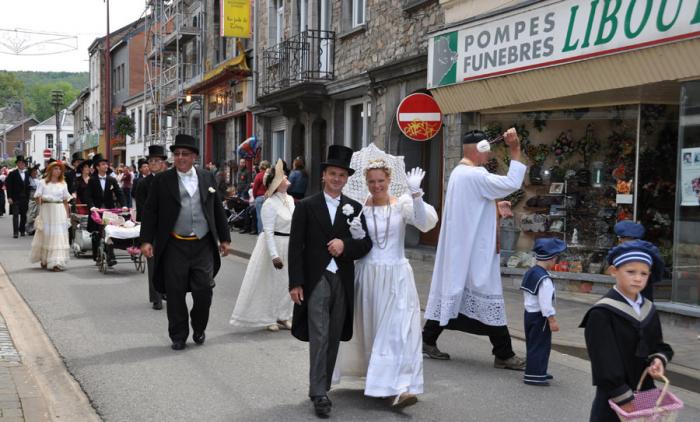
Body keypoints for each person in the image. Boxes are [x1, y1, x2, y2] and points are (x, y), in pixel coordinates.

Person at [333, 158, 438, 408]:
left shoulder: (402, 204)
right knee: (373, 330)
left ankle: (400, 388)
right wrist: (355, 237)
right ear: (366, 182)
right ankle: (380, 381)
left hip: (397, 275)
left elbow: (425, 223)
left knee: (397, 332)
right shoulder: (359, 209)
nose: (376, 185)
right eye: (372, 181)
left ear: (389, 181)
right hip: (368, 275)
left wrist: (416, 193)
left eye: (381, 180)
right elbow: (352, 245)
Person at [422, 128, 528, 370]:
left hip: (463, 246)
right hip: (473, 248)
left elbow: (472, 205)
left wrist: (492, 204)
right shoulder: (475, 175)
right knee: (484, 290)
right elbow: (512, 182)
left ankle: (428, 339)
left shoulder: (459, 173)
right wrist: (515, 149)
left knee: (455, 289)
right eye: (487, 149)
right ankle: (504, 353)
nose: (489, 154)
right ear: (478, 149)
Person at [288, 145, 372, 418]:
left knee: (334, 335)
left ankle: (322, 386)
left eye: (341, 175)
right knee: (320, 334)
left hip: (342, 279)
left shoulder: (355, 208)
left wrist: (345, 245)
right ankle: (319, 393)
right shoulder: (307, 206)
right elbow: (295, 247)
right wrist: (295, 283)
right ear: (324, 175)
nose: (337, 179)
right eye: (332, 173)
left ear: (347, 178)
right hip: (315, 279)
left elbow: (366, 245)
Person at [139, 134, 231, 350]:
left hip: (202, 243)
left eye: (185, 154)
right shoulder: (162, 180)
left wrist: (225, 238)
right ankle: (178, 335)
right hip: (174, 244)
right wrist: (145, 240)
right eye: (177, 154)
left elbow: (216, 208)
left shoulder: (207, 177)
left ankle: (199, 326)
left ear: (194, 157)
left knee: (203, 292)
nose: (180, 158)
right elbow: (150, 211)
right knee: (175, 292)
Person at [580, 240, 673, 421]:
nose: (638, 278)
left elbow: (658, 345)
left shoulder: (648, 309)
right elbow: (603, 361)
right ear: (614, 271)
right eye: (631, 272)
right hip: (615, 395)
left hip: (645, 390)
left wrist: (658, 359)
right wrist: (622, 396)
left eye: (644, 273)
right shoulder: (602, 312)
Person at [230, 159, 295, 331]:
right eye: (282, 176)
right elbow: (268, 232)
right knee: (272, 283)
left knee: (287, 282)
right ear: (276, 183)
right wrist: (274, 255)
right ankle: (269, 317)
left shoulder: (290, 199)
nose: (286, 176)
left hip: (290, 244)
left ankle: (284, 315)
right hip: (274, 245)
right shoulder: (269, 204)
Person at [520, 238, 566, 386]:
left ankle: (537, 370)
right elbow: (545, 304)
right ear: (552, 258)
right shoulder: (545, 279)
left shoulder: (531, 272)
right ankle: (535, 376)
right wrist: (552, 320)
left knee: (533, 344)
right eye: (556, 259)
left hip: (529, 314)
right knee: (541, 346)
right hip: (540, 317)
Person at [134, 145, 168, 310]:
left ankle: (166, 290)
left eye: (157, 161)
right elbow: (142, 209)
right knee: (153, 262)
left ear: (163, 163)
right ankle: (156, 297)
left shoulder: (171, 179)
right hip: (152, 228)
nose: (154, 163)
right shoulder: (143, 183)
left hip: (169, 229)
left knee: (169, 262)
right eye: (151, 161)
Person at [29, 160, 72, 271]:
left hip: (59, 211)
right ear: (50, 170)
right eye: (55, 168)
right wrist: (41, 198)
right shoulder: (42, 182)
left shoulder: (63, 184)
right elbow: (37, 199)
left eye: (59, 169)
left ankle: (56, 262)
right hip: (47, 210)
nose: (58, 171)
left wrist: (67, 217)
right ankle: (45, 259)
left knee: (58, 236)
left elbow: (65, 202)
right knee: (47, 234)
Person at [85, 154, 127, 266]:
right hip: (96, 211)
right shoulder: (92, 180)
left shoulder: (111, 179)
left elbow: (119, 193)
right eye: (103, 164)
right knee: (96, 234)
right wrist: (92, 206)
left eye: (106, 164)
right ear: (97, 167)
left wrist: (123, 205)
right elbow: (88, 196)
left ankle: (110, 257)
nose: (106, 166)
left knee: (109, 232)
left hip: (109, 210)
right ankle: (97, 256)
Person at [612, 220, 658, 301]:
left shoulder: (625, 251)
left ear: (623, 238)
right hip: (646, 293)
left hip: (630, 294)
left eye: (619, 238)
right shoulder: (650, 249)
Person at [6, 156, 31, 238]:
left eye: (23, 163)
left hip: (25, 198)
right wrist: (9, 197)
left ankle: (22, 230)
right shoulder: (12, 174)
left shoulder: (27, 174)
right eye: (19, 163)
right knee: (15, 215)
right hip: (15, 197)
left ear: (25, 164)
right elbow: (8, 186)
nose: (21, 164)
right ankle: (15, 232)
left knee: (24, 215)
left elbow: (28, 186)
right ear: (17, 164)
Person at [250, 160, 270, 234]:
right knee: (268, 217)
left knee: (260, 217)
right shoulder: (270, 175)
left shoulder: (259, 175)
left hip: (260, 198)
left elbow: (254, 188)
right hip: (268, 197)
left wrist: (255, 198)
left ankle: (261, 235)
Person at [25, 165, 41, 235]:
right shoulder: (28, 180)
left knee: (37, 215)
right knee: (30, 215)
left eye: (36, 171)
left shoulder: (38, 180)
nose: (35, 173)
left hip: (38, 199)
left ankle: (35, 229)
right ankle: (29, 229)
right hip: (30, 199)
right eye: (34, 171)